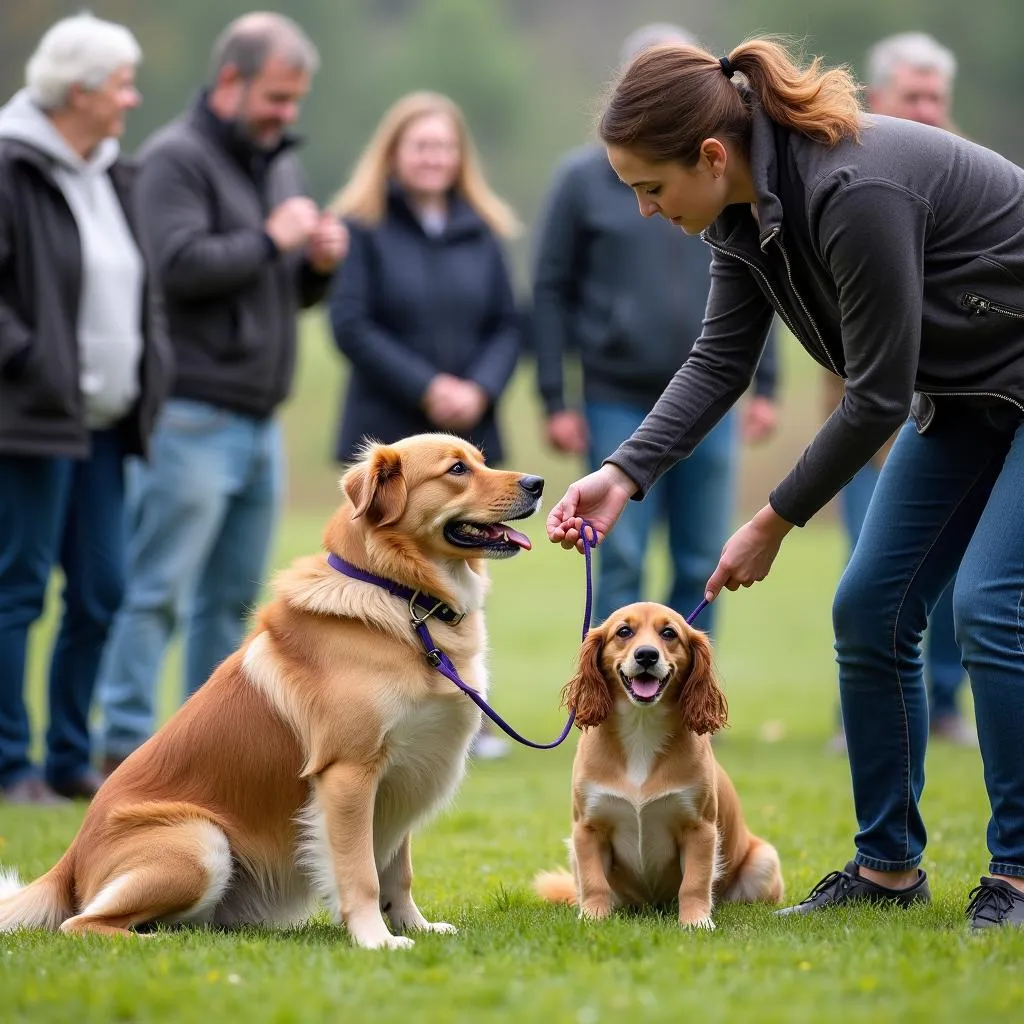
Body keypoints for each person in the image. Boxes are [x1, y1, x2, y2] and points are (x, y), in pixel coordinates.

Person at [547, 38, 1024, 928]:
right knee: (870, 607)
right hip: (965, 395)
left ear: (712, 156)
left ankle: (1019, 874)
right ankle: (888, 867)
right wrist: (623, 472)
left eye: (650, 187)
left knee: (990, 606)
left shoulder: (853, 188)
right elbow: (721, 357)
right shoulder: (740, 213)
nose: (646, 210)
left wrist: (772, 518)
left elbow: (878, 394)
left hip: (1003, 382)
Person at [96, 13, 347, 773]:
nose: (286, 115)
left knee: (233, 596)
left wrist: (316, 265)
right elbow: (172, 267)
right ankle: (122, 744)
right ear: (231, 80)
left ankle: (200, 743)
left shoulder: (274, 159)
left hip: (258, 416)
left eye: (296, 100)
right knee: (159, 590)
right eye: (276, 97)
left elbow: (281, 290)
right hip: (191, 412)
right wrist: (273, 239)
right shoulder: (175, 158)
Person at [532, 22, 778, 632]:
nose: (650, 205)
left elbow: (761, 276)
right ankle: (615, 710)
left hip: (712, 397)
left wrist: (766, 383)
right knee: (620, 554)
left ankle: (691, 711)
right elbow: (548, 289)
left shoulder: (722, 183)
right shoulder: (579, 180)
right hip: (617, 393)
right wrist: (554, 397)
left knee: (704, 558)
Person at [0, 13, 170, 803]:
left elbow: (138, 291)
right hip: (31, 420)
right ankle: (10, 762)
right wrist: (32, 362)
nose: (129, 99)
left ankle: (69, 757)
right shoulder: (11, 164)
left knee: (101, 591)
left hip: (107, 425)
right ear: (78, 92)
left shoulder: (113, 172)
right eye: (120, 85)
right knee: (20, 588)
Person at [328, 91, 522, 760]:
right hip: (391, 435)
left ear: (459, 157)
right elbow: (350, 325)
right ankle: (384, 711)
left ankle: (461, 714)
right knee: (386, 584)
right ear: (395, 154)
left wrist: (478, 388)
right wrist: (427, 386)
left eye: (444, 147)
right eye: (421, 146)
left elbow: (507, 322)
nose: (434, 157)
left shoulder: (483, 228)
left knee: (464, 580)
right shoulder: (363, 227)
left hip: (469, 438)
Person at [826, 32, 971, 751]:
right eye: (913, 96)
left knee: (966, 591)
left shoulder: (961, 175)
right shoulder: (855, 182)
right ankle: (863, 722)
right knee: (872, 583)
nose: (927, 109)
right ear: (877, 99)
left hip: (966, 417)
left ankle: (946, 706)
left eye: (935, 97)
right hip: (873, 431)